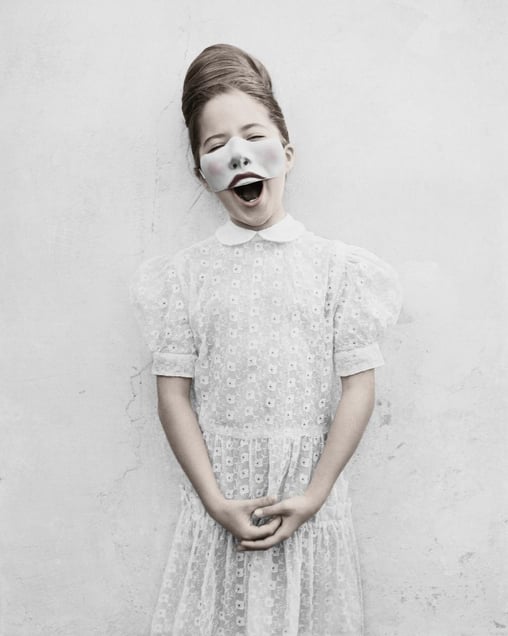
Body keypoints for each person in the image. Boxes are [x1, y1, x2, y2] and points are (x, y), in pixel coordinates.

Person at [130, 43, 402, 636]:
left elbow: (358, 386)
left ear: (287, 152)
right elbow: (173, 394)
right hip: (221, 499)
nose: (238, 154)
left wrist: (315, 493)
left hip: (308, 498)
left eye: (254, 136)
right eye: (215, 145)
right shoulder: (184, 276)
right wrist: (214, 500)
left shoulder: (338, 269)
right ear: (200, 173)